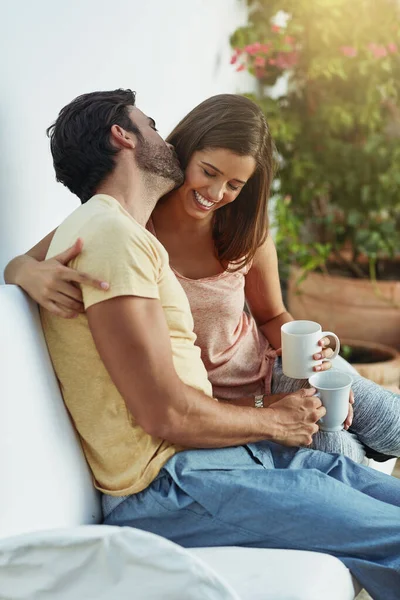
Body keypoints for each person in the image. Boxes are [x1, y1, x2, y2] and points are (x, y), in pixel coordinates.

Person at [4, 88, 400, 600]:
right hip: (171, 482)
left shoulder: (121, 232)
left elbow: (269, 316)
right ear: (122, 136)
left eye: (234, 183)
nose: (162, 135)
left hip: (218, 448)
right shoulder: (108, 234)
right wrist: (274, 418)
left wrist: (291, 390)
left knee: (362, 476)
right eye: (148, 123)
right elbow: (164, 412)